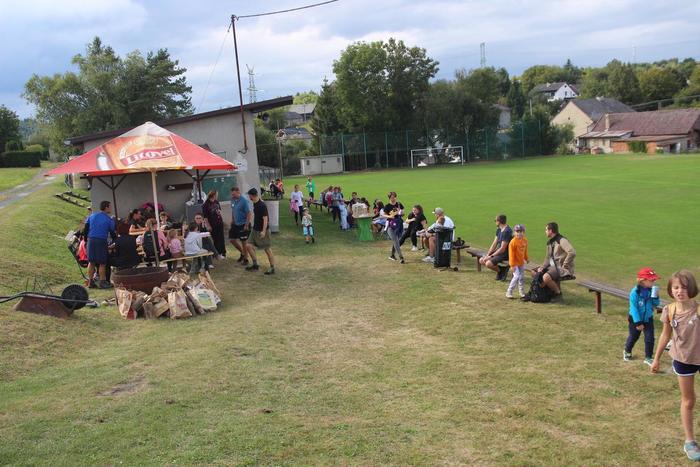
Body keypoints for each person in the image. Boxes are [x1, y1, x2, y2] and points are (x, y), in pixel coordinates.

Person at [651, 271, 700, 461]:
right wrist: (656, 358)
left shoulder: (698, 309)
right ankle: (690, 441)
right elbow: (665, 335)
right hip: (682, 360)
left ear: (692, 289)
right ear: (671, 290)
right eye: (676, 287)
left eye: (685, 287)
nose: (680, 291)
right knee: (688, 400)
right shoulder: (669, 310)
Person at [624, 267, 661, 364]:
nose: (653, 282)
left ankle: (648, 357)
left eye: (654, 280)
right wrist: (638, 323)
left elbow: (656, 304)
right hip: (635, 319)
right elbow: (633, 308)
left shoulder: (651, 290)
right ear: (643, 280)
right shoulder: (635, 292)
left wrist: (656, 296)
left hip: (648, 318)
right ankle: (627, 350)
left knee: (650, 338)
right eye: (651, 280)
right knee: (634, 336)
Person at [535, 222, 576, 299]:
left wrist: (565, 265)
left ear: (550, 231)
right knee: (535, 272)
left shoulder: (562, 240)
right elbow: (548, 258)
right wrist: (542, 267)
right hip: (553, 266)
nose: (545, 232)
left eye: (546, 230)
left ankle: (558, 294)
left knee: (546, 277)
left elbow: (572, 252)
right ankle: (548, 291)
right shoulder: (549, 242)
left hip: (563, 268)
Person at [84, 200, 116, 289]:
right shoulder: (108, 219)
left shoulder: (92, 216)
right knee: (102, 263)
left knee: (91, 262)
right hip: (101, 240)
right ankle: (102, 282)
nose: (111, 208)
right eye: (110, 207)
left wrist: (86, 240)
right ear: (106, 207)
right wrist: (116, 241)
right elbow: (112, 232)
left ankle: (90, 282)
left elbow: (86, 228)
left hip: (91, 240)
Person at [245, 188, 276, 275]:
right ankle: (255, 264)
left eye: (249, 195)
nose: (249, 197)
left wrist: (263, 231)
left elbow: (265, 219)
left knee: (267, 249)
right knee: (248, 245)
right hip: (255, 229)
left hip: (262, 230)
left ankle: (272, 267)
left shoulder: (262, 205)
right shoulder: (255, 203)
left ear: (252, 195)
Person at [479, 214, 513, 281]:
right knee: (481, 260)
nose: (495, 222)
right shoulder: (499, 229)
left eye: (495, 220)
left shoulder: (507, 231)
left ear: (499, 221)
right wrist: (488, 254)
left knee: (488, 263)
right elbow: (494, 243)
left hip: (506, 253)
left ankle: (501, 271)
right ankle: (501, 270)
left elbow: (502, 248)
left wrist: (491, 256)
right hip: (499, 252)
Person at [229, 186, 252, 265]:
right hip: (235, 224)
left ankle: (246, 259)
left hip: (243, 224)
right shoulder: (232, 200)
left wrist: (246, 224)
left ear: (238, 192)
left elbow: (248, 213)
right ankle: (243, 253)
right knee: (232, 239)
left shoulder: (244, 201)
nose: (233, 195)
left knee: (243, 242)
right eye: (232, 194)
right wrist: (232, 219)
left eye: (234, 194)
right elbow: (233, 210)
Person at [506, 224, 529, 299]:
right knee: (516, 276)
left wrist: (526, 258)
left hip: (521, 262)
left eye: (521, 232)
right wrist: (512, 265)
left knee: (521, 277)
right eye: (517, 232)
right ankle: (509, 291)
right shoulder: (512, 242)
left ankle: (521, 292)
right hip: (514, 263)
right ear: (514, 232)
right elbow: (511, 255)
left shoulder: (525, 241)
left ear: (524, 232)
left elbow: (525, 251)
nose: (519, 233)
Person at [202, 190, 226, 259]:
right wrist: (208, 225)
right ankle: (216, 253)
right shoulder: (206, 204)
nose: (217, 196)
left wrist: (219, 212)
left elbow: (219, 210)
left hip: (219, 222)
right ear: (213, 195)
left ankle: (223, 252)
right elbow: (205, 217)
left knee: (221, 238)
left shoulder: (216, 202)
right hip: (212, 224)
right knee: (215, 239)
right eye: (216, 195)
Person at [382, 191, 405, 263]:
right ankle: (401, 257)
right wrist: (390, 216)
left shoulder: (399, 204)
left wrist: (401, 212)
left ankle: (392, 255)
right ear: (389, 198)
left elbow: (403, 213)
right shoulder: (387, 206)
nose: (393, 198)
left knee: (396, 240)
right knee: (396, 240)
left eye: (394, 197)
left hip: (398, 225)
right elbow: (383, 215)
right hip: (390, 225)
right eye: (392, 197)